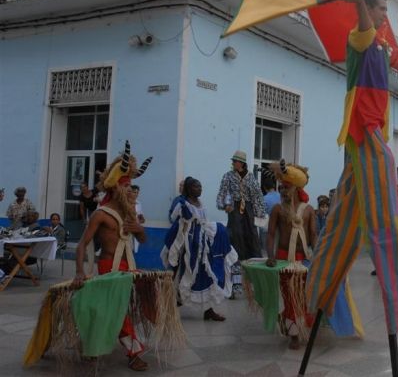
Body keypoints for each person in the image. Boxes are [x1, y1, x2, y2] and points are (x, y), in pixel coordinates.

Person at [306, 0, 398, 336]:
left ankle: (318, 288)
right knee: (386, 220)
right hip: (363, 132)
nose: (383, 16)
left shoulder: (383, 48)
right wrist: (359, 1)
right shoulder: (359, 40)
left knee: (343, 221)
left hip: (372, 133)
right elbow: (364, 22)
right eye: (381, 9)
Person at [72, 142, 152, 371]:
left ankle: (93, 344)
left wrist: (140, 230)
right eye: (127, 187)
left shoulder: (129, 213)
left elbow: (143, 241)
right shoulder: (101, 214)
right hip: (108, 266)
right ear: (116, 188)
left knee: (120, 309)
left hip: (128, 266)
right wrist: (79, 271)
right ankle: (133, 352)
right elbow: (81, 245)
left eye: (131, 187)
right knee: (116, 310)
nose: (131, 191)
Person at [163, 177, 237, 321]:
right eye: (197, 187)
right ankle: (168, 307)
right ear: (189, 189)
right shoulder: (183, 203)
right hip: (188, 245)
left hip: (202, 245)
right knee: (183, 273)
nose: (200, 189)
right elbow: (175, 219)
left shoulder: (200, 203)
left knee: (206, 273)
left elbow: (204, 221)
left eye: (201, 186)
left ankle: (208, 310)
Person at [265, 160, 317, 349]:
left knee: (302, 295)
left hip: (303, 260)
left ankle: (293, 323)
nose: (283, 192)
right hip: (283, 258)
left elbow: (313, 236)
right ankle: (294, 333)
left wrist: (318, 256)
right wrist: (270, 256)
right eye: (281, 188)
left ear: (295, 189)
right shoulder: (277, 209)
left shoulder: (309, 210)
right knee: (289, 295)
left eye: (286, 188)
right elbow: (271, 234)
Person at [216, 150, 266, 297]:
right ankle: (235, 285)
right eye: (233, 161)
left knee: (253, 245)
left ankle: (255, 283)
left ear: (242, 163)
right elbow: (221, 195)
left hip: (249, 214)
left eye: (235, 161)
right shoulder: (228, 177)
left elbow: (258, 197)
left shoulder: (251, 178)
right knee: (235, 245)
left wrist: (260, 214)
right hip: (235, 213)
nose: (233, 163)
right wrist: (226, 205)